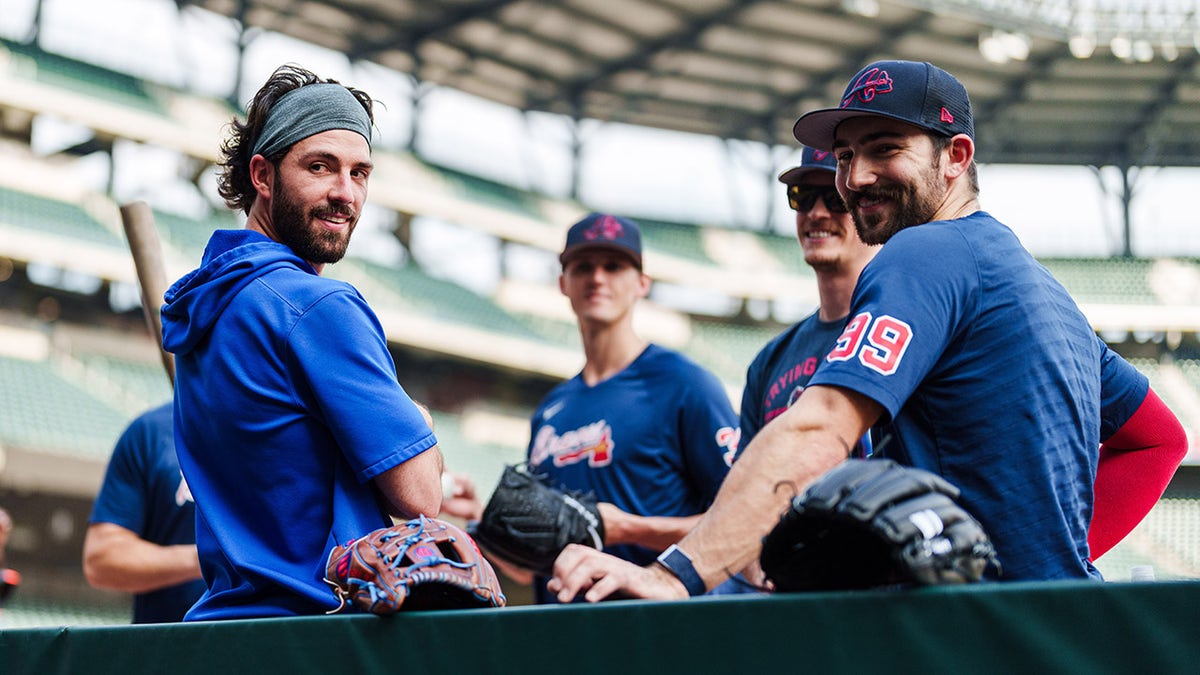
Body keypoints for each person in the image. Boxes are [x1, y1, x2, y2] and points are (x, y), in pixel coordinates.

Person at [549, 60, 1188, 602]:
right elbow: (1158, 439)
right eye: (847, 156)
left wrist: (675, 575)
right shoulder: (1041, 288)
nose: (854, 179)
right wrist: (1053, 559)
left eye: (885, 149)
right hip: (1058, 615)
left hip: (970, 634)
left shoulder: (925, 252)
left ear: (956, 156)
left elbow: (821, 427)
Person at [160, 64, 444, 620]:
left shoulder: (211, 305)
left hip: (228, 627)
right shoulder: (318, 306)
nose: (345, 193)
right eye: (320, 167)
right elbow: (420, 498)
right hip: (318, 630)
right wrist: (420, 422)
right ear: (262, 176)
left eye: (360, 173)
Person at [513, 212, 742, 602]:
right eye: (583, 266)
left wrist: (629, 528)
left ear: (642, 284)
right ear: (563, 284)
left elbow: (743, 521)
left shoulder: (686, 385)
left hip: (658, 632)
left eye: (614, 266)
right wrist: (477, 519)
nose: (597, 278)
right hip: (564, 636)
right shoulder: (551, 409)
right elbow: (534, 559)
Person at [739, 147, 878, 459]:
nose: (816, 213)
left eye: (834, 197)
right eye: (802, 196)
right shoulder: (769, 362)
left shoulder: (901, 332)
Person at [82, 403, 204, 623]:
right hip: (168, 645)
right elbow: (102, 558)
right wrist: (208, 557)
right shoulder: (151, 431)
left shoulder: (280, 425)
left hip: (268, 639)